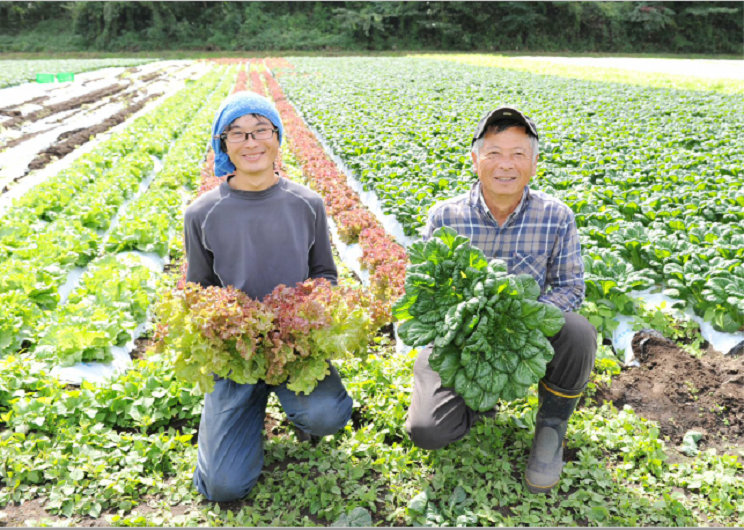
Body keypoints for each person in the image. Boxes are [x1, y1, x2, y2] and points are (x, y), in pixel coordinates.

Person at [405, 107, 597, 495]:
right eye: (493, 153)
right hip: (459, 342)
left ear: (534, 163)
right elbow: (423, 293)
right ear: (475, 159)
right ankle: (477, 400)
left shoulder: (556, 216)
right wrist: (469, 329)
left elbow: (571, 288)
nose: (505, 165)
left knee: (579, 332)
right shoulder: (444, 216)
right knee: (426, 430)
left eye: (518, 154)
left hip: (525, 335)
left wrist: (519, 321)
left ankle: (552, 427)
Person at [183, 91, 353, 502]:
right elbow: (200, 289)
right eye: (237, 134)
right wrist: (228, 331)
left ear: (277, 137)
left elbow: (324, 274)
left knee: (327, 416)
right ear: (222, 144)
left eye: (261, 130)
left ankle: (293, 410)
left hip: (295, 353)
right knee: (222, 487)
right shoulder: (202, 213)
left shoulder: (306, 204)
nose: (251, 142)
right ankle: (242, 410)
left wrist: (307, 318)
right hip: (236, 359)